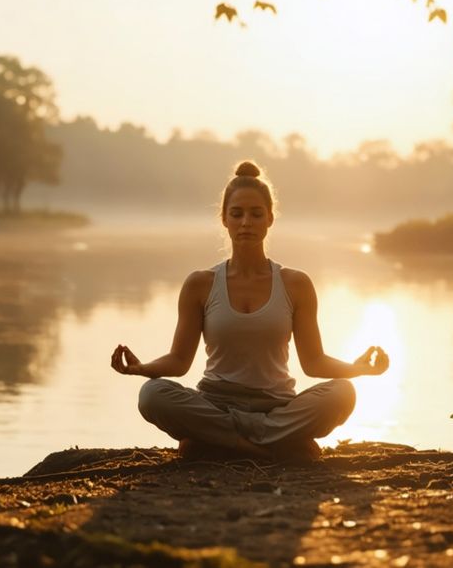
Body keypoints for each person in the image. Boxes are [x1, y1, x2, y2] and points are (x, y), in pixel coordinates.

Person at [110, 160, 389, 461]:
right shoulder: (200, 284)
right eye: (237, 214)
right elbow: (179, 361)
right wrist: (141, 369)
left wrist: (359, 369)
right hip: (215, 403)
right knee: (152, 395)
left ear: (270, 219)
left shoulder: (296, 284)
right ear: (224, 219)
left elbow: (314, 362)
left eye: (256, 214)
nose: (246, 222)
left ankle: (219, 441)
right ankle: (270, 445)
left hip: (277, 406)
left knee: (343, 393)